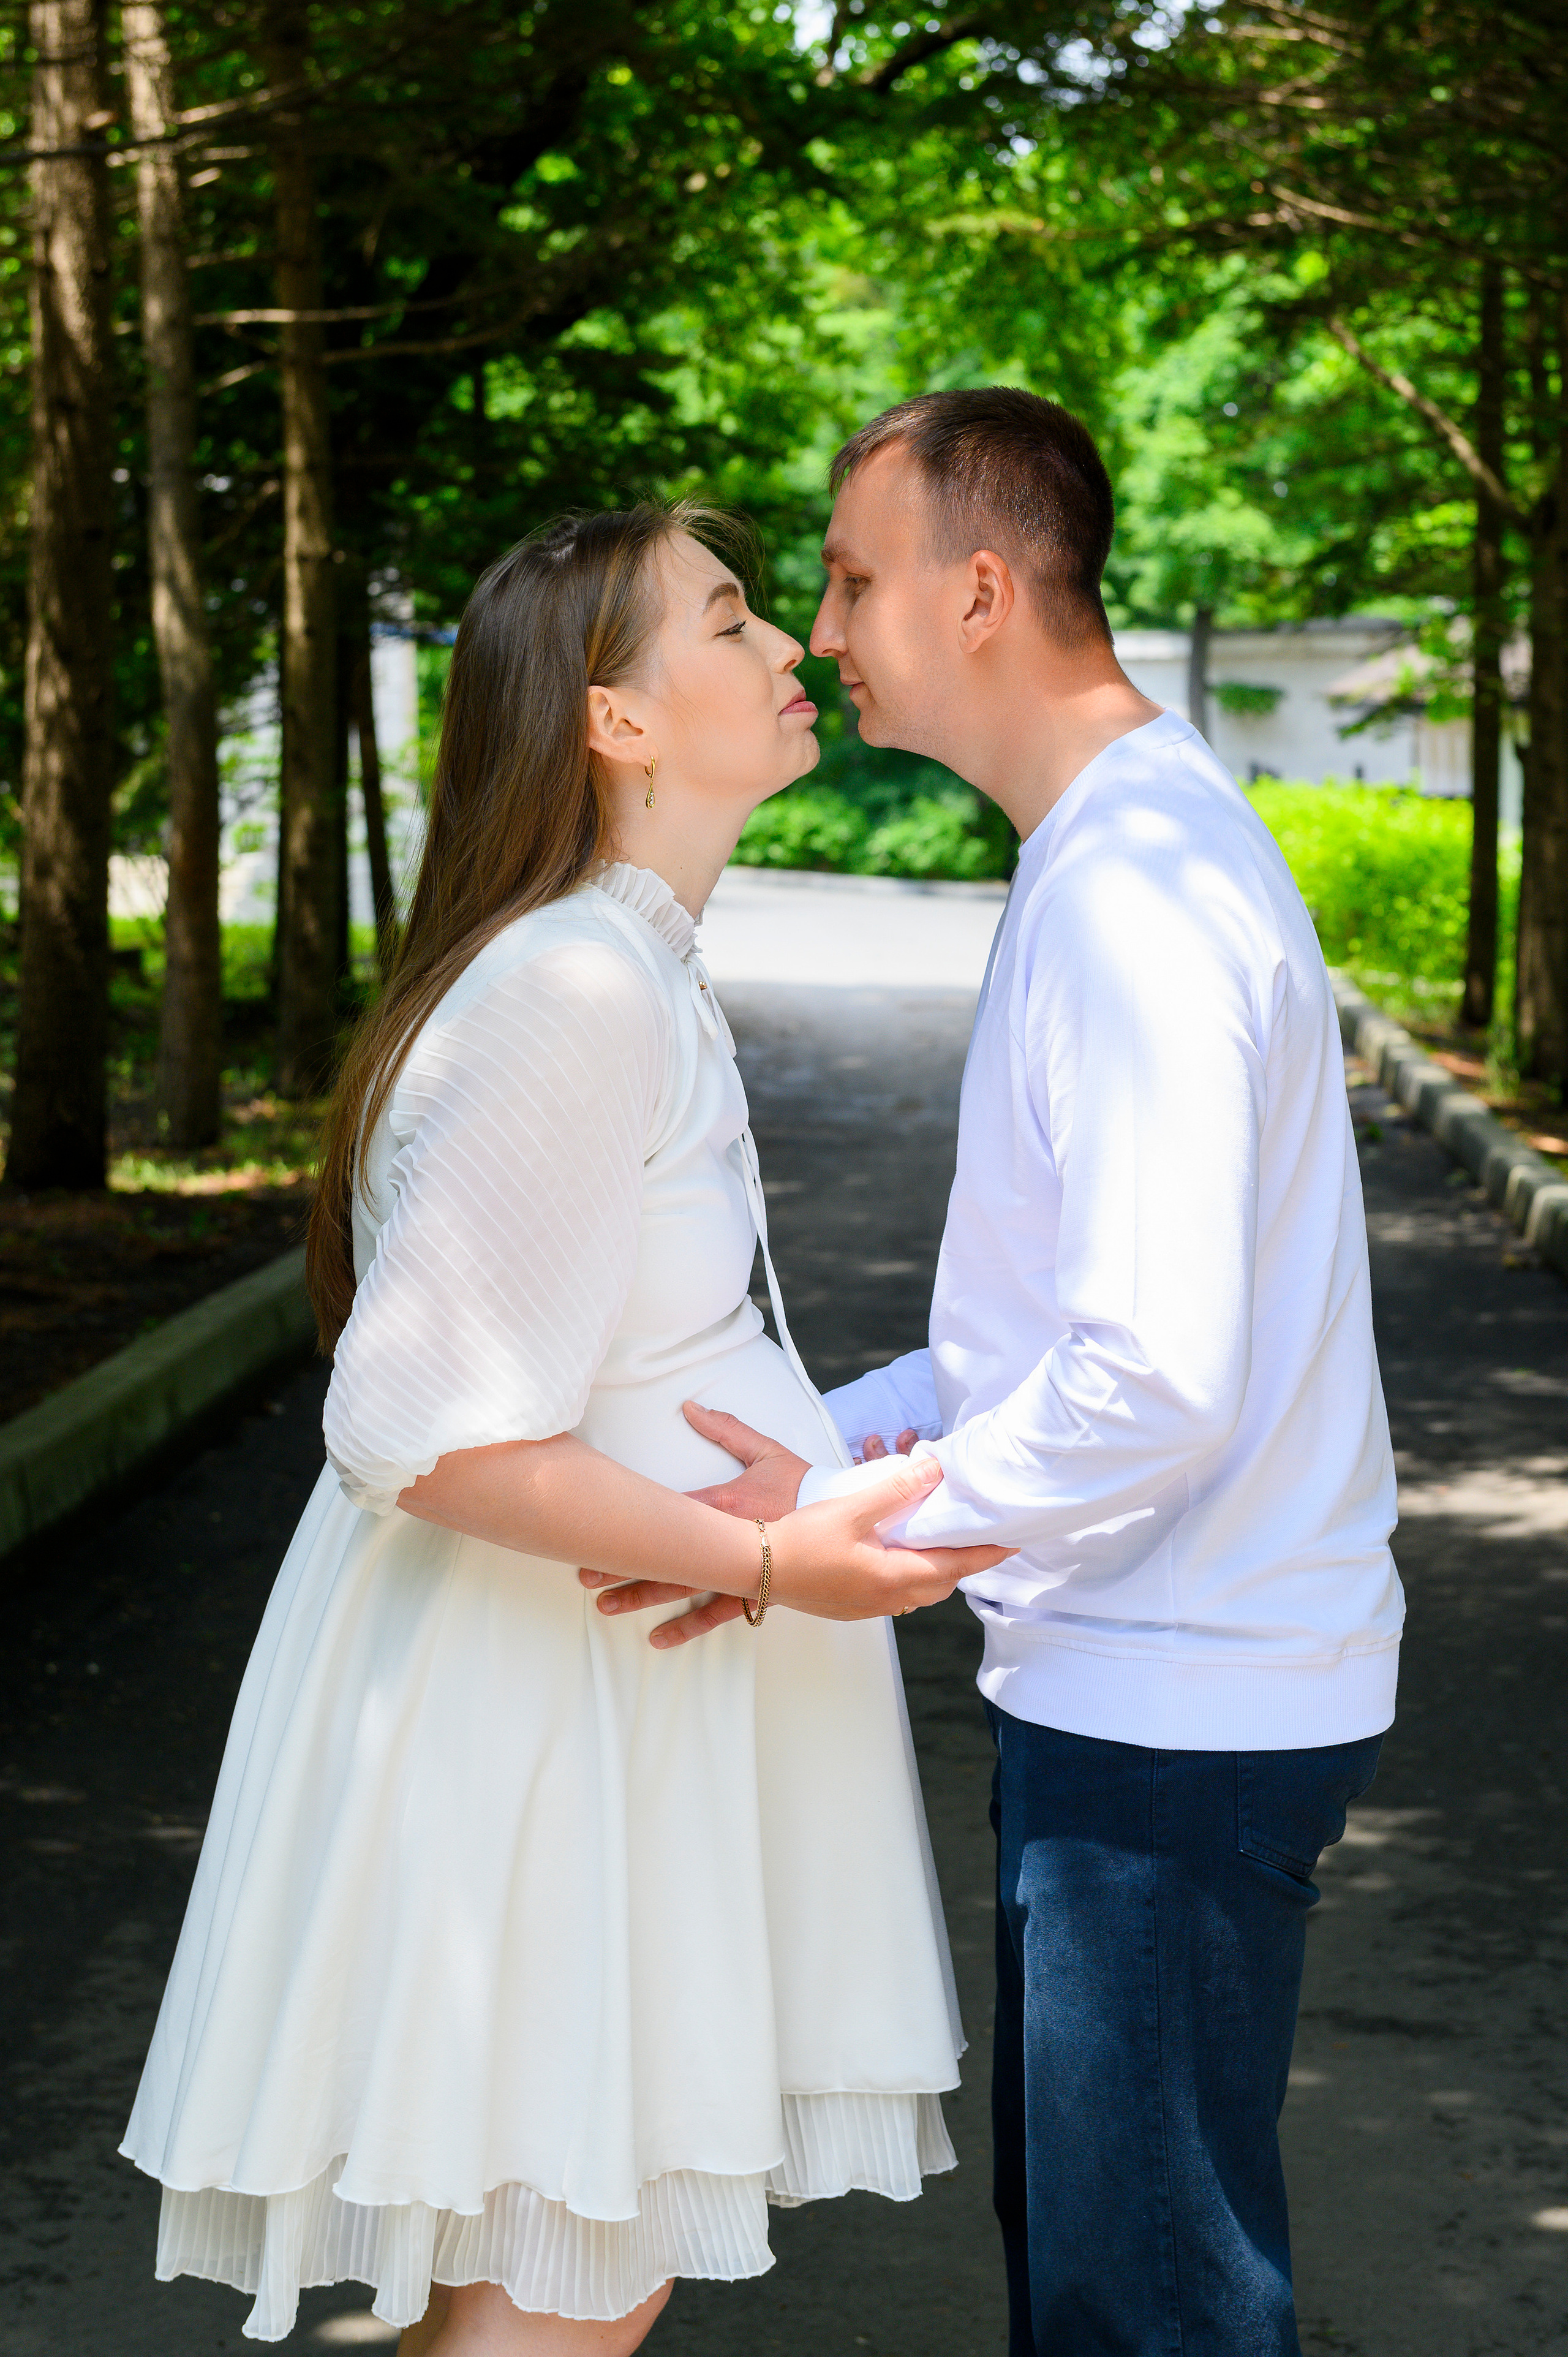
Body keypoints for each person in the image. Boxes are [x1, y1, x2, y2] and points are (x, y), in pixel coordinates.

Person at [120, 502, 1011, 2357]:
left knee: (574, 2281)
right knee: (555, 2295)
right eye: (732, 617)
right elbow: (426, 1430)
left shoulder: (626, 966)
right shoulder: (577, 987)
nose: (791, 650)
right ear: (613, 720)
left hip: (609, 1695)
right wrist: (773, 1559)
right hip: (547, 1721)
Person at [598, 395, 1403, 2356]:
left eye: (854, 577)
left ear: (979, 591)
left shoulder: (1132, 892)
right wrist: (799, 1456)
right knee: (1117, 2292)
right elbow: (1024, 1347)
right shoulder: (1106, 853)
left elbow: (1148, 1381)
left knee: (1147, 2317)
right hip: (1153, 1686)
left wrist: (852, 1533)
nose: (820, 624)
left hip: (1178, 1709)